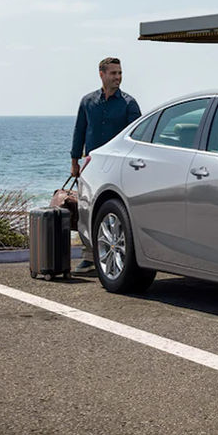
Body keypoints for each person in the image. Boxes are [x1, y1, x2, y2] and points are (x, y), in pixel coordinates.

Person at [70, 57, 141, 275]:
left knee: (113, 210)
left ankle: (119, 256)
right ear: (101, 74)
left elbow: (137, 138)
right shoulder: (87, 101)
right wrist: (74, 162)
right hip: (91, 166)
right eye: (113, 73)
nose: (118, 78)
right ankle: (89, 256)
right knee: (86, 211)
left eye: (120, 73)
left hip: (117, 167)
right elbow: (79, 131)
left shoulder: (129, 104)